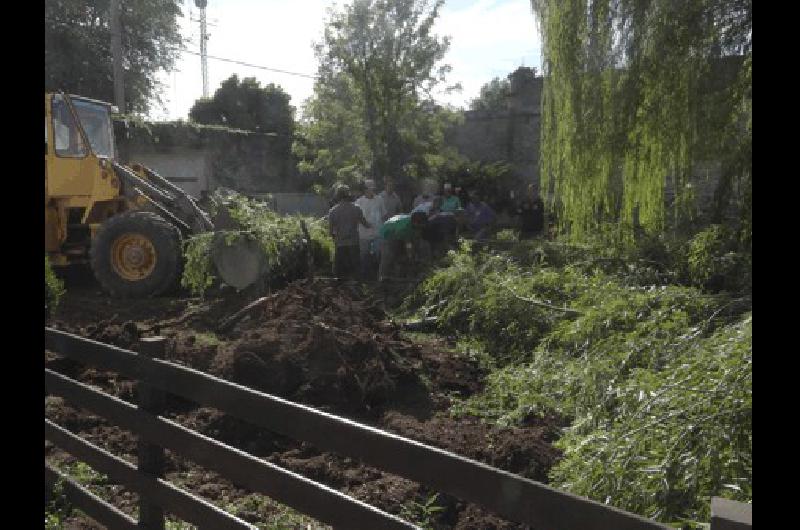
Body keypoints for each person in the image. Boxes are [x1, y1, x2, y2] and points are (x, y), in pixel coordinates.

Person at [328, 185, 370, 280]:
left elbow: (330, 232)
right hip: (354, 244)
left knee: (339, 275)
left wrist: (336, 239)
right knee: (356, 272)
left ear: (337, 196)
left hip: (340, 245)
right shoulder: (357, 208)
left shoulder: (333, 211)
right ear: (348, 195)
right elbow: (366, 224)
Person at [378, 211, 428, 281]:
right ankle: (382, 277)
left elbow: (415, 239)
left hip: (399, 233)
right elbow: (408, 244)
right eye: (421, 224)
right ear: (416, 222)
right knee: (389, 256)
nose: (423, 226)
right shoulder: (405, 227)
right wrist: (411, 256)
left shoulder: (416, 225)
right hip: (387, 234)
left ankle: (401, 275)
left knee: (405, 256)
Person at [355, 179, 387, 279]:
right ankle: (364, 277)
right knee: (364, 256)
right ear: (365, 190)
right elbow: (357, 218)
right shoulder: (359, 202)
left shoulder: (379, 199)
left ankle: (377, 275)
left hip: (378, 233)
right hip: (364, 235)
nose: (372, 191)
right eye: (369, 189)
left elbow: (384, 215)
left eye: (373, 189)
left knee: (378, 255)